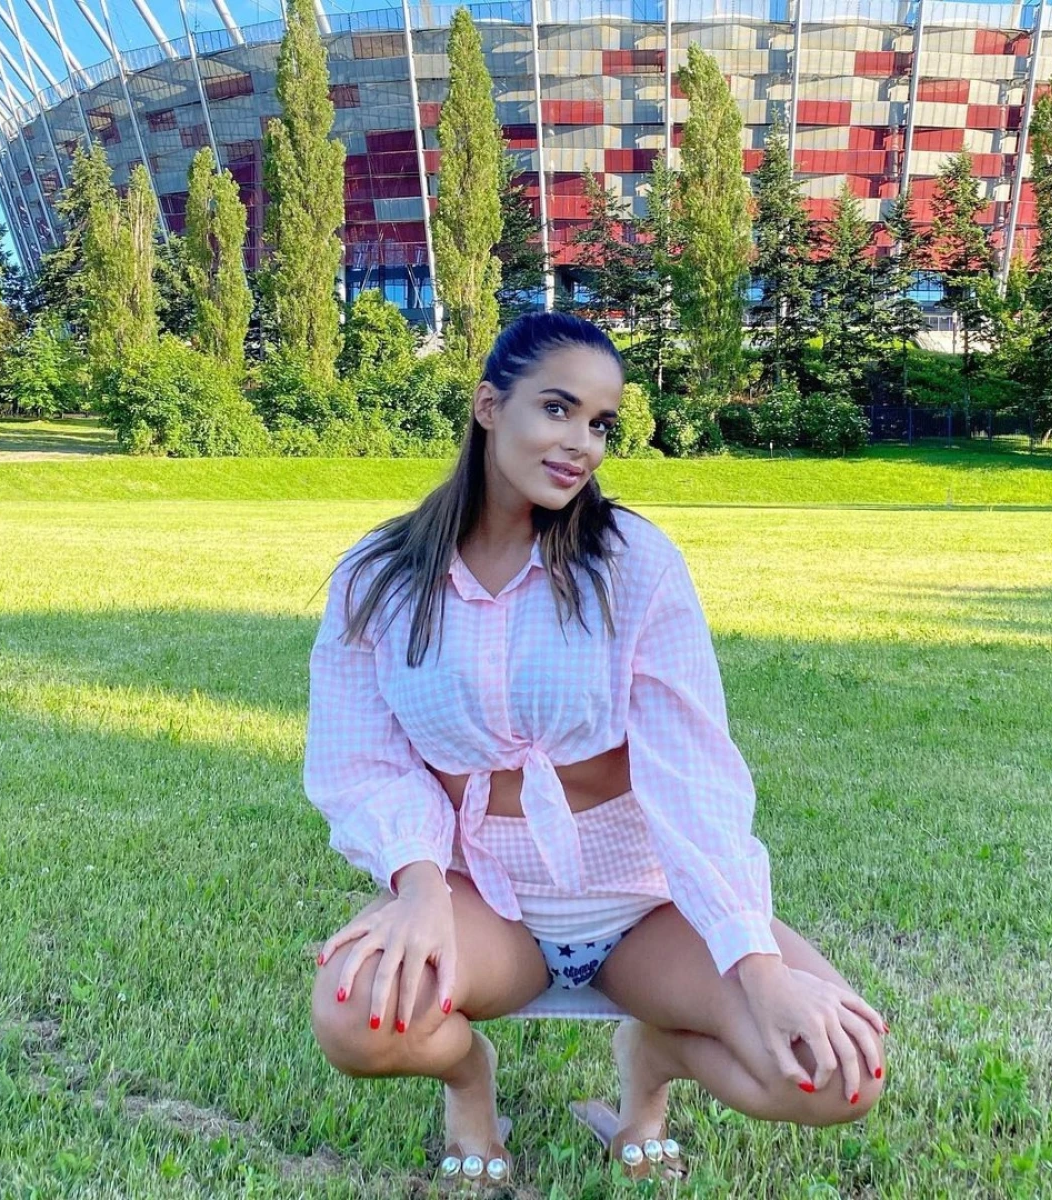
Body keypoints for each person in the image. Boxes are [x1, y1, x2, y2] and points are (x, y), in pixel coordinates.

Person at [304, 312, 889, 1189]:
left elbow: (693, 774)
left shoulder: (634, 563)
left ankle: (653, 1061)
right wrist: (418, 888)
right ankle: (470, 1082)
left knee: (840, 1073)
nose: (582, 443)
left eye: (601, 423)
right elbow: (361, 761)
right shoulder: (380, 575)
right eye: (558, 409)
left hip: (644, 908)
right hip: (484, 900)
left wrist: (756, 965)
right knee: (352, 1019)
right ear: (488, 407)